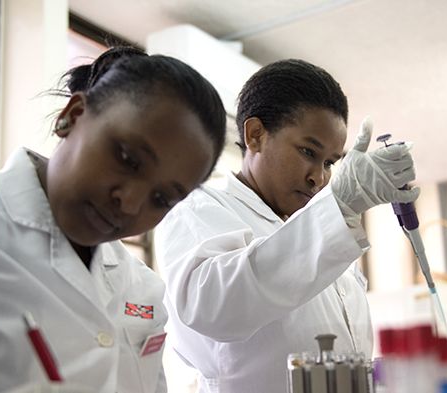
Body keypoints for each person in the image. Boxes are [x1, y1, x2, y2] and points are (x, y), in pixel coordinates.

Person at [0, 46, 227, 393]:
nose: (129, 204)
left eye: (161, 199)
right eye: (127, 159)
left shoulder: (142, 289)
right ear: (74, 115)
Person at [154, 59, 420, 392]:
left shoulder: (320, 226)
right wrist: (338, 207)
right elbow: (213, 308)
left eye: (329, 163)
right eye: (308, 151)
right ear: (255, 135)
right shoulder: (200, 208)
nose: (319, 178)